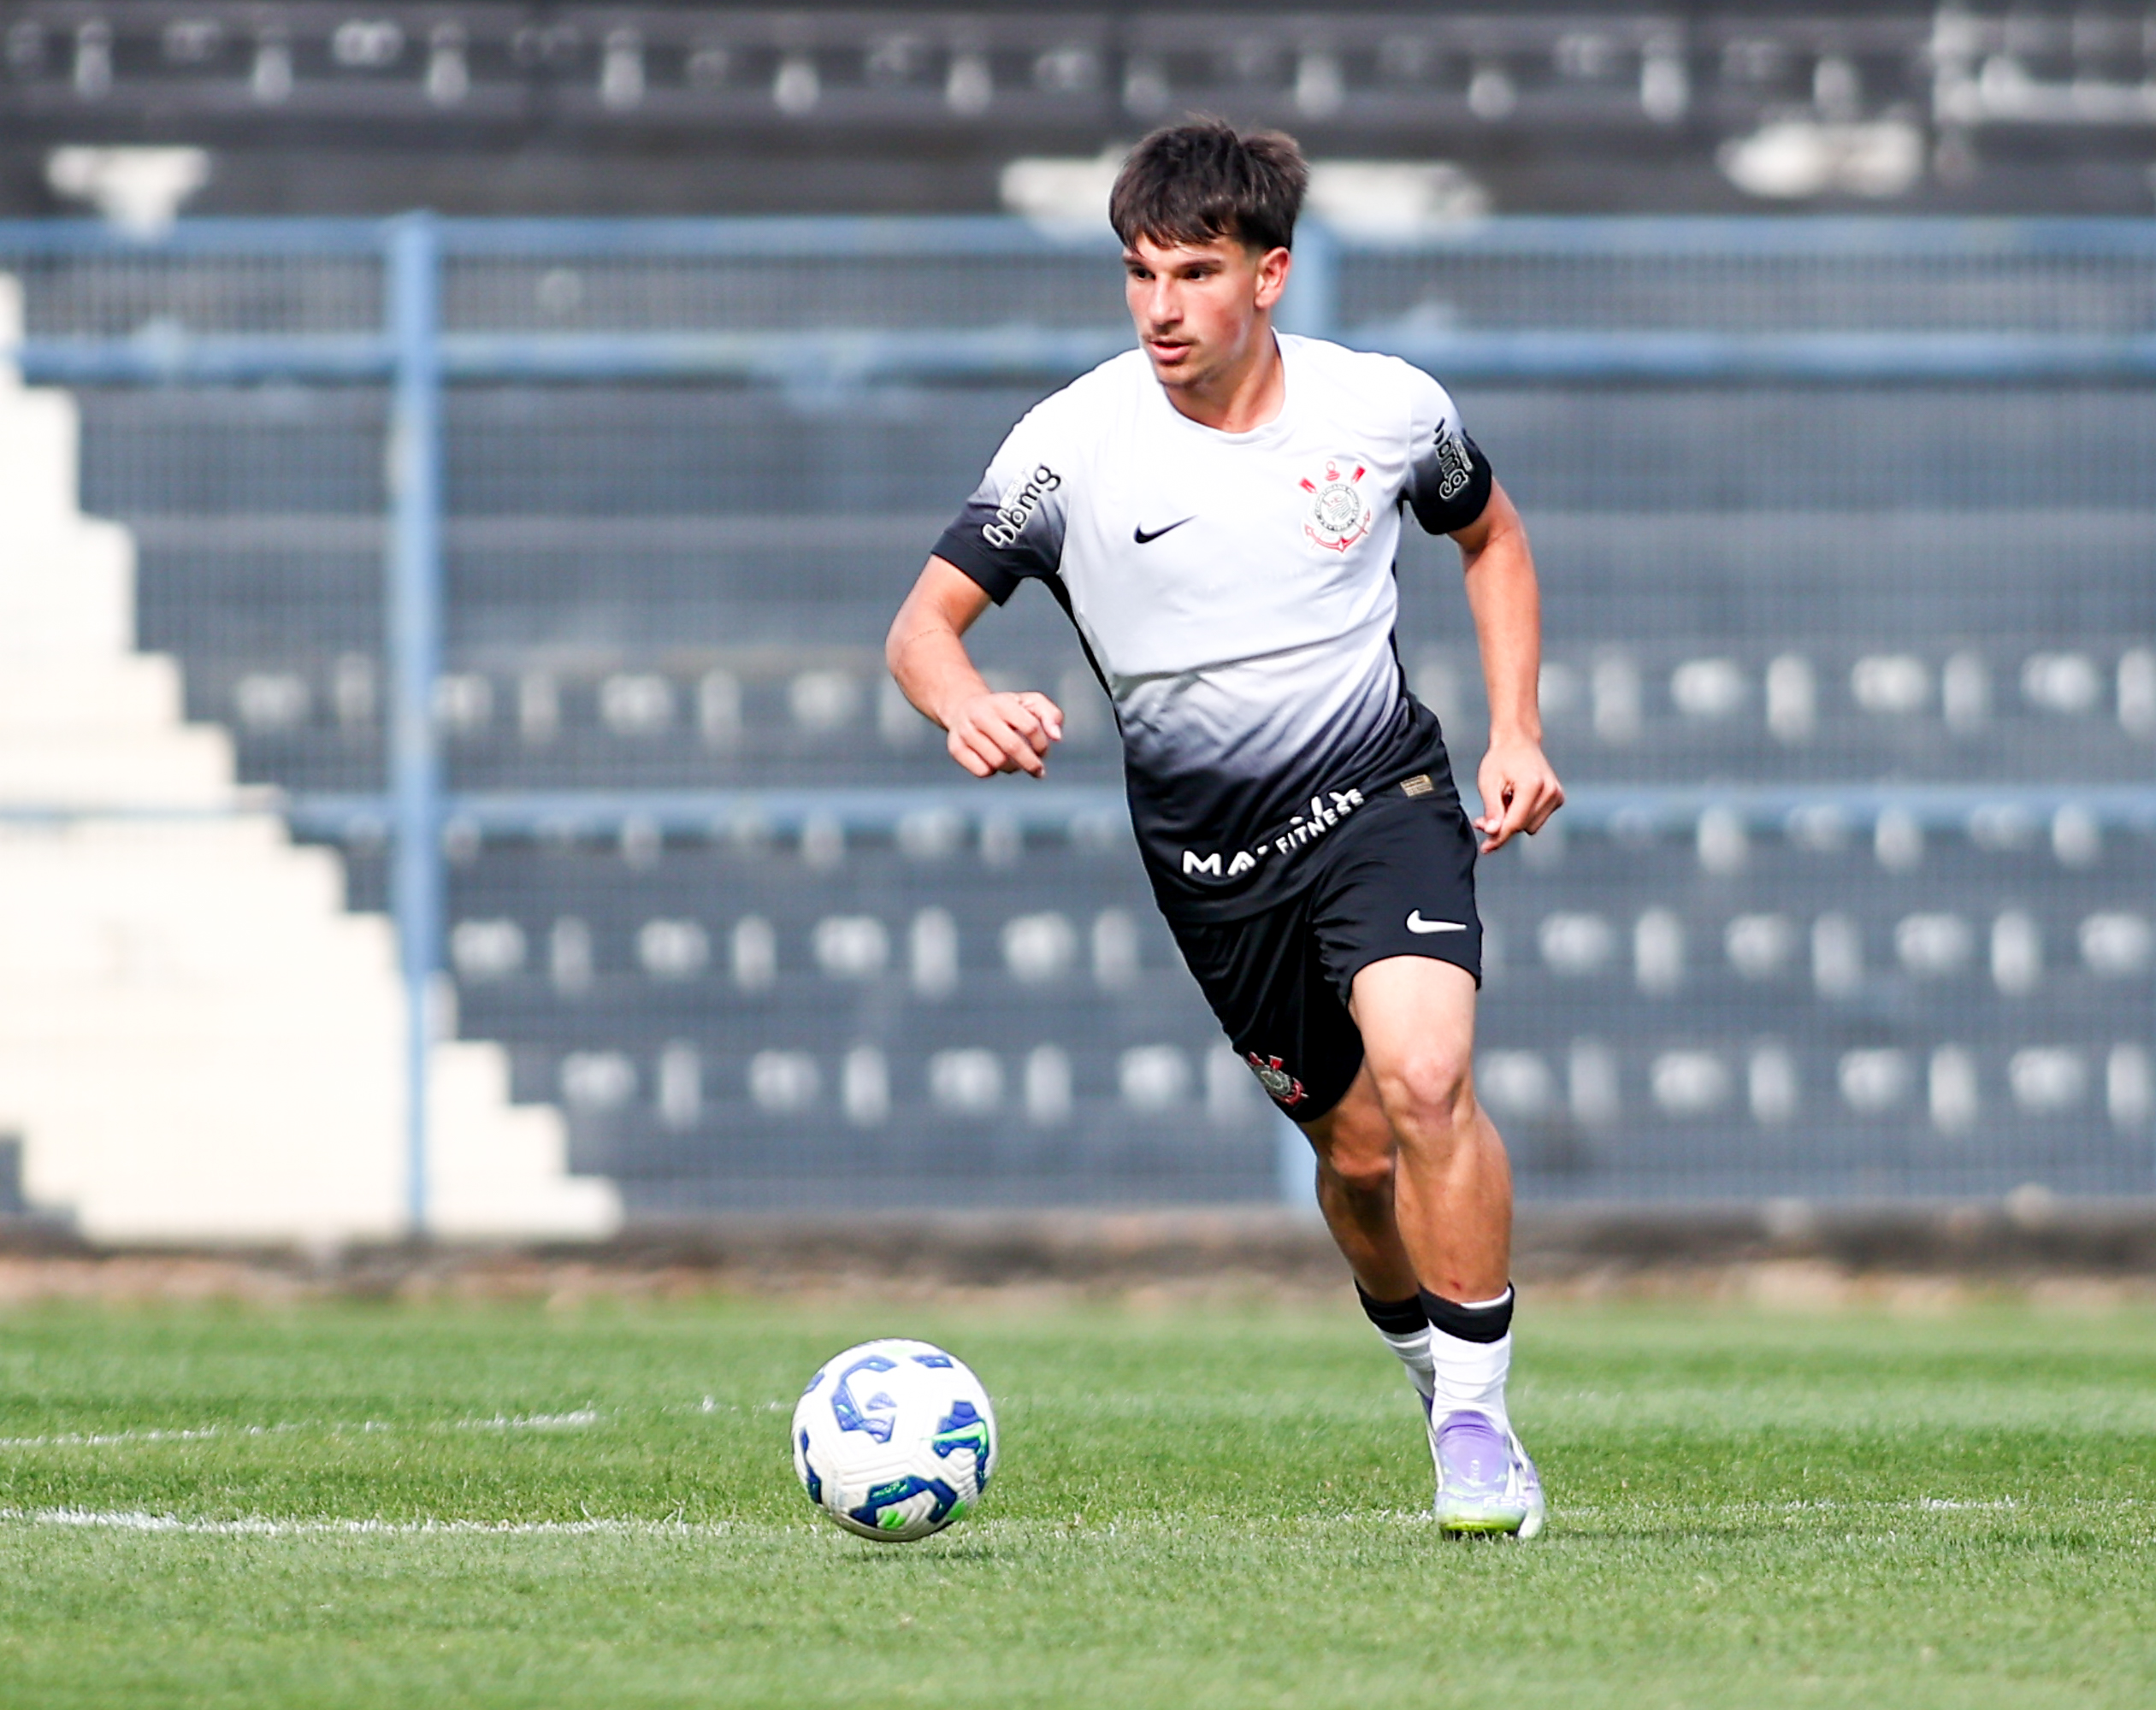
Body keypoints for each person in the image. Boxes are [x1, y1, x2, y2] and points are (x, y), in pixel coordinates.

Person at [884, 118, 1562, 1536]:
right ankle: (1424, 1367)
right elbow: (922, 627)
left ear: (1270, 276)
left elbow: (1487, 535)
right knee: (1359, 1156)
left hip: (1381, 795)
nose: (1160, 309)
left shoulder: (1380, 409)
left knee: (1428, 1077)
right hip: (1211, 863)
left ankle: (1478, 1426)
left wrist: (1517, 728)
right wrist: (960, 704)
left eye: (1193, 273)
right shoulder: (1071, 446)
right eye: (1139, 275)